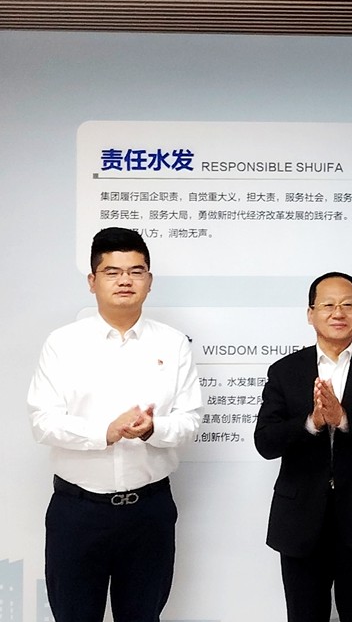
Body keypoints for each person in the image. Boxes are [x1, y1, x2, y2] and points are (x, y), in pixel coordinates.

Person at [27, 227, 202, 622]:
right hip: (78, 511)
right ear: (93, 281)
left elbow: (190, 421)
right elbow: (43, 421)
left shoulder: (173, 343)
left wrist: (154, 429)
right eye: (112, 272)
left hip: (149, 512)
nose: (125, 280)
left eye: (136, 271)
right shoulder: (63, 343)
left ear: (149, 281)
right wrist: (104, 433)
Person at [255, 271, 352, 622]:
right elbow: (265, 441)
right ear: (310, 313)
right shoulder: (285, 371)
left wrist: (344, 418)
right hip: (300, 518)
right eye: (328, 305)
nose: (338, 313)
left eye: (347, 305)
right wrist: (311, 422)